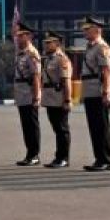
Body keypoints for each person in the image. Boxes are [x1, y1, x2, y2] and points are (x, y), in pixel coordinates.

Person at [79, 17, 110, 172]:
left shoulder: (102, 47)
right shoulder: (90, 47)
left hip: (98, 90)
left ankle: (105, 159)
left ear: (97, 30)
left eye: (87, 29)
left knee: (101, 126)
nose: (84, 32)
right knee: (94, 126)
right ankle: (98, 158)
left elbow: (106, 71)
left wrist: (106, 92)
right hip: (90, 90)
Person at [12, 22, 43, 166]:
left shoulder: (32, 53)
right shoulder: (20, 53)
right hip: (22, 94)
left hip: (29, 94)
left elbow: (36, 76)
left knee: (32, 125)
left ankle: (34, 154)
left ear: (28, 36)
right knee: (26, 125)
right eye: (17, 36)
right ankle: (29, 153)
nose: (17, 38)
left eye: (20, 36)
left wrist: (36, 97)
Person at [39, 32, 72, 168]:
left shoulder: (61, 59)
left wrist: (67, 100)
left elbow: (67, 82)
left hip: (59, 98)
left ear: (57, 44)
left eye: (49, 43)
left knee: (62, 128)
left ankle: (63, 158)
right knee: (57, 128)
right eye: (45, 43)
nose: (46, 45)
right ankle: (58, 157)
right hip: (50, 98)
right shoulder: (48, 59)